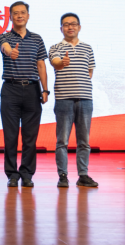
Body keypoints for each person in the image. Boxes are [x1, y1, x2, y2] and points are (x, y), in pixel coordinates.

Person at [0, 1, 49, 188]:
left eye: (23, 13)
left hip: (32, 90)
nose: (19, 16)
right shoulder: (4, 37)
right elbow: (5, 47)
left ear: (28, 15)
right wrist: (10, 52)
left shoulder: (37, 38)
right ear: (10, 17)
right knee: (10, 136)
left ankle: (27, 173)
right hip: (10, 90)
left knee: (30, 137)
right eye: (15, 13)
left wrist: (45, 89)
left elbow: (41, 65)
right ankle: (12, 174)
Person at [49, 13, 99, 188]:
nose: (70, 27)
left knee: (84, 141)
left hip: (85, 99)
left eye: (73, 24)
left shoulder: (87, 48)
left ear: (79, 27)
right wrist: (62, 62)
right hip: (64, 99)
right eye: (66, 24)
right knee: (62, 141)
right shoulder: (55, 47)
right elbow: (56, 62)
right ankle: (63, 176)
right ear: (61, 28)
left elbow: (89, 72)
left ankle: (83, 175)